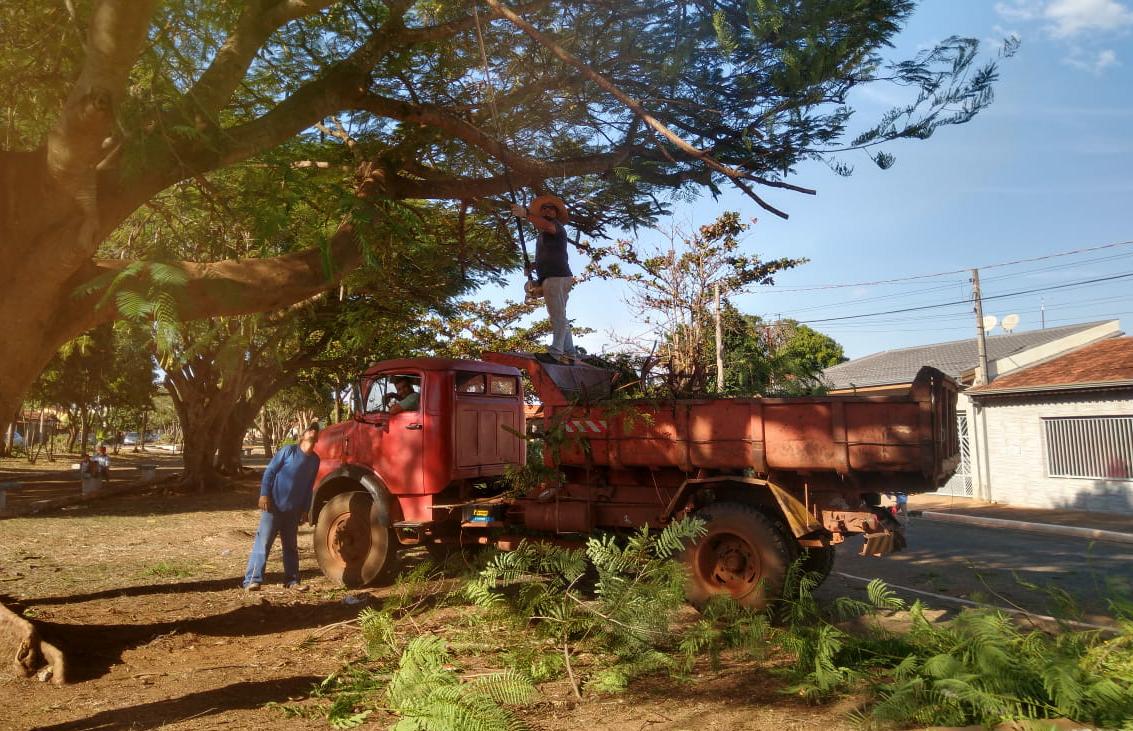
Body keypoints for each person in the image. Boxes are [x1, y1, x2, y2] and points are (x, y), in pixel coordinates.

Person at [242, 422, 321, 591]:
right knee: (263, 544)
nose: (314, 431)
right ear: (302, 435)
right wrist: (264, 494)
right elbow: (270, 472)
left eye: (316, 430)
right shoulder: (288, 451)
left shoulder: (315, 460)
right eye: (310, 429)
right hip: (274, 506)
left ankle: (292, 581)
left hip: (293, 511)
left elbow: (309, 486)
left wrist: (306, 509)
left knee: (291, 546)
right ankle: (252, 580)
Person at [512, 194, 577, 362]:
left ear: (556, 213)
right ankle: (570, 353)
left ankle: (555, 353)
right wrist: (532, 266)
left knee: (557, 316)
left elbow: (547, 226)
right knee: (560, 315)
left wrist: (525, 214)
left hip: (557, 277)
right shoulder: (542, 236)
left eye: (551, 208)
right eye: (544, 208)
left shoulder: (555, 227)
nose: (548, 210)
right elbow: (547, 256)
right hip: (555, 277)